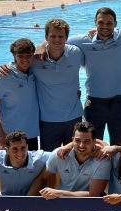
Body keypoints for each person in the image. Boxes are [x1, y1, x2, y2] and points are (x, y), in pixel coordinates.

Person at [67, 7, 121, 145]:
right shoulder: (82, 40)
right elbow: (57, 41)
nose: (105, 26)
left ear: (115, 24)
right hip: (94, 103)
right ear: (95, 22)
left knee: (120, 146)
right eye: (101, 23)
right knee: (90, 145)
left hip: (119, 103)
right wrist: (41, 47)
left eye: (109, 23)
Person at [33, 19, 84, 151]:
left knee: (74, 158)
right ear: (46, 37)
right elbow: (18, 64)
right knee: (50, 161)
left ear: (67, 38)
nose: (57, 40)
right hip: (48, 120)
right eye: (53, 36)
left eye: (61, 36)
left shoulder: (76, 53)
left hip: (74, 117)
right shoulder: (35, 60)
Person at [30, 121, 110, 199]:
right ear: (72, 140)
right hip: (61, 201)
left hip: (87, 204)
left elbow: (94, 195)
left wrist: (60, 193)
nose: (81, 145)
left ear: (94, 142)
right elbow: (42, 178)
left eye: (87, 141)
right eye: (78, 141)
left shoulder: (102, 160)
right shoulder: (59, 155)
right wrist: (27, 201)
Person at [0, 38, 39, 150]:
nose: (25, 59)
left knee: (31, 167)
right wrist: (1, 134)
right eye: (20, 55)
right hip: (10, 136)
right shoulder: (4, 76)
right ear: (14, 55)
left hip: (31, 135)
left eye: (29, 55)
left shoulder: (34, 72)